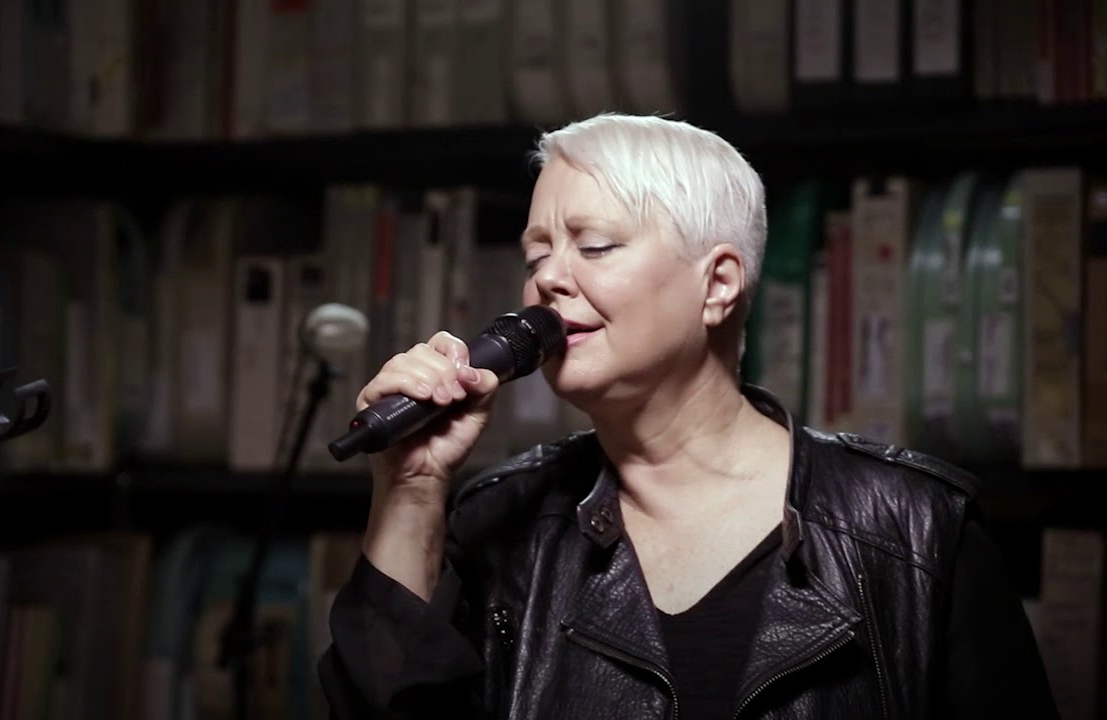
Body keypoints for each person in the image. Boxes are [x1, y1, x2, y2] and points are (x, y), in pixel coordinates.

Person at [317, 113, 1058, 719]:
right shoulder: (499, 522)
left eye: (595, 245)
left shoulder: (918, 531)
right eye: (536, 255)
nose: (548, 279)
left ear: (719, 285)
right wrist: (410, 493)